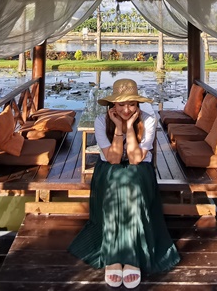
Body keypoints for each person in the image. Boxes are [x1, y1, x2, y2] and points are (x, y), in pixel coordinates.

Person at [68, 78, 180, 288]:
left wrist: (129, 127)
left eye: (132, 104)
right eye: (121, 104)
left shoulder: (148, 120)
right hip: (110, 169)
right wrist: (119, 127)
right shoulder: (102, 122)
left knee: (132, 183)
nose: (127, 109)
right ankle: (113, 254)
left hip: (139, 169)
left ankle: (130, 256)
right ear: (113, 105)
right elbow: (113, 158)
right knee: (118, 182)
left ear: (138, 105)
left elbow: (136, 158)